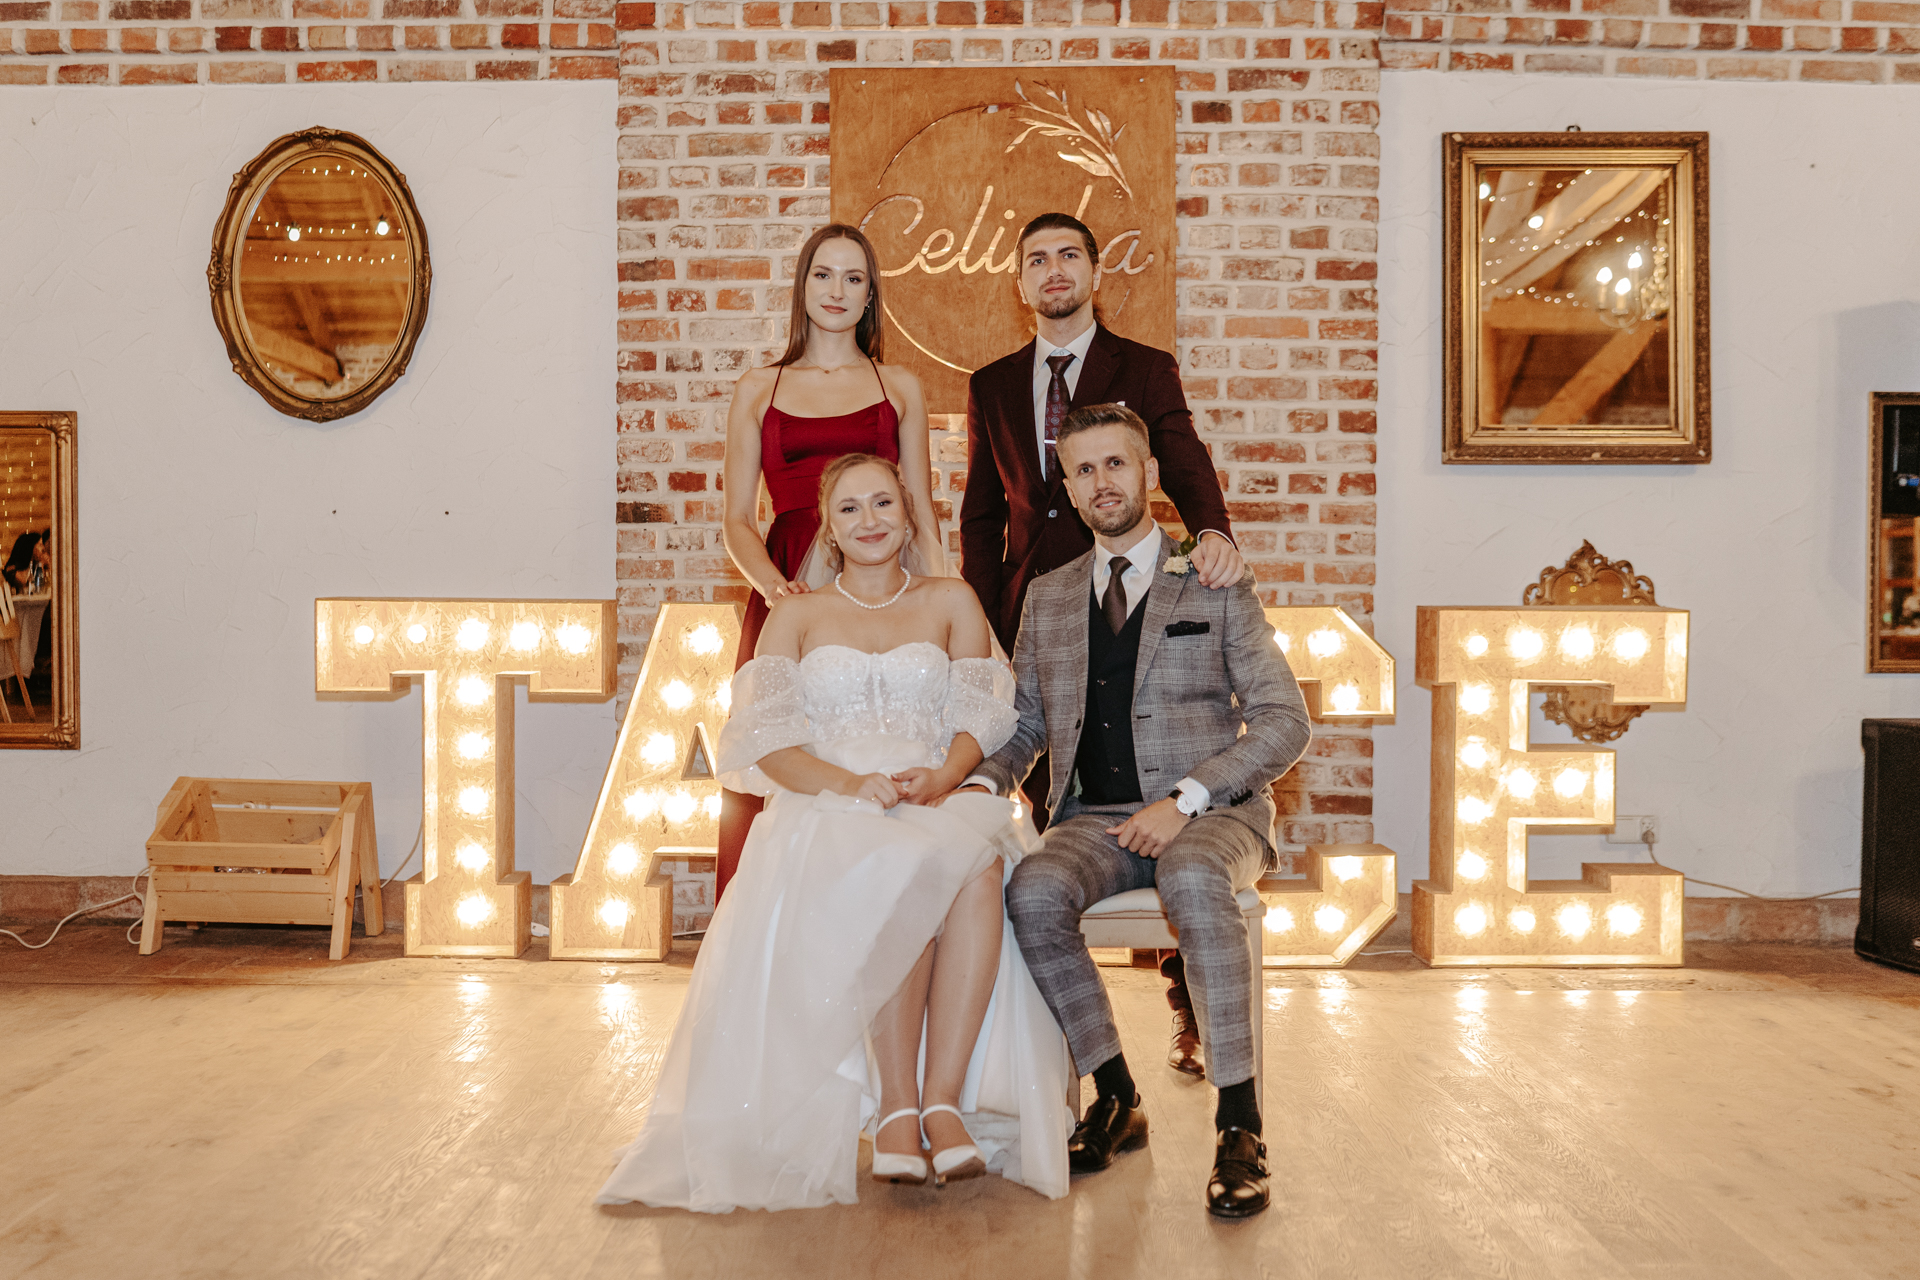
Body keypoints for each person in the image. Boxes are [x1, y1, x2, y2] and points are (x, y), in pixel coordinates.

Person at [597, 454, 1071, 1213]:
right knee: (906, 864)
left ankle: (942, 1100)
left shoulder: (951, 600)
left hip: (932, 787)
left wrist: (944, 777)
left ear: (908, 516)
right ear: (829, 527)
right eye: (849, 509)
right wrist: (849, 786)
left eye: (883, 503)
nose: (869, 520)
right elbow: (766, 742)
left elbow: (982, 716)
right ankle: (896, 1109)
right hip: (829, 800)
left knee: (977, 861)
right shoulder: (797, 615)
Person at [962, 404, 1310, 1219]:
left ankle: (1240, 1126)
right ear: (1069, 490)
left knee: (1192, 878)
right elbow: (1026, 725)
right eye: (1083, 470)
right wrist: (978, 784)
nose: (1101, 482)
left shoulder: (1214, 579)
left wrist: (1186, 799)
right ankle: (1116, 1095)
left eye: (1115, 464)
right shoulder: (1048, 597)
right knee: (1032, 892)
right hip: (1096, 817)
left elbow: (1285, 720)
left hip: (1213, 814)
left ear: (1149, 474)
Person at [959, 211, 1244, 1078]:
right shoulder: (991, 384)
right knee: (1065, 819)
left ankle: (1188, 1004)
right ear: (1019, 282)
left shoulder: (1144, 367)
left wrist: (1213, 533)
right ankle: (1066, 1046)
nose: (1053, 270)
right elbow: (981, 514)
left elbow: (1181, 457)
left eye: (1068, 256)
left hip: (1141, 598)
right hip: (1039, 618)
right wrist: (984, 624)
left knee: (1157, 788)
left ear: (1092, 271)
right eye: (1036, 259)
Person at [715, 223, 948, 907]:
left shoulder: (899, 385)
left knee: (882, 743)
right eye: (823, 274)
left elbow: (920, 508)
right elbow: (736, 519)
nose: (837, 290)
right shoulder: (757, 387)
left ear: (871, 294)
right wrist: (777, 592)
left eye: (854, 277)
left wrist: (943, 602)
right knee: (781, 744)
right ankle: (766, 920)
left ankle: (882, 916)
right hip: (788, 580)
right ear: (803, 285)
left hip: (881, 586)